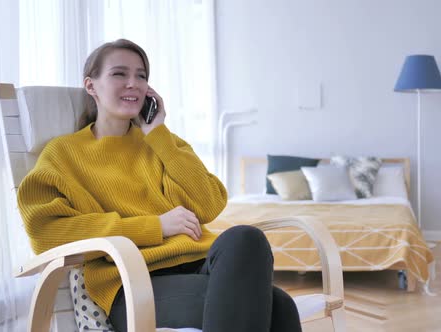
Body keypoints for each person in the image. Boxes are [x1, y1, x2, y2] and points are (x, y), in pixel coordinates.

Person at [17, 38, 301, 332]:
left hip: (198, 264)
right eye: (119, 74)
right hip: (131, 282)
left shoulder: (161, 143)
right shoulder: (63, 154)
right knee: (279, 307)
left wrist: (157, 132)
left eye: (141, 76)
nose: (134, 83)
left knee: (246, 238)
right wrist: (156, 226)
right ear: (91, 86)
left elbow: (209, 204)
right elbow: (45, 234)